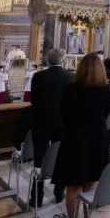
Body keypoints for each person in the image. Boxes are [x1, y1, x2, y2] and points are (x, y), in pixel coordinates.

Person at [53, 53, 110, 218]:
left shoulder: (70, 88)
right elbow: (107, 112)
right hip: (97, 139)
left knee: (72, 186)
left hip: (74, 139)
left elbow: (63, 115)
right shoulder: (106, 90)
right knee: (91, 185)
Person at [30, 48, 72, 207]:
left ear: (48, 60)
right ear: (63, 60)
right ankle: (59, 192)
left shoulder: (38, 76)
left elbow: (33, 99)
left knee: (39, 159)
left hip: (41, 122)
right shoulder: (70, 76)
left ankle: (36, 196)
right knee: (61, 157)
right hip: (62, 124)